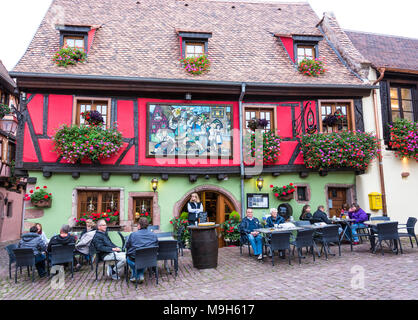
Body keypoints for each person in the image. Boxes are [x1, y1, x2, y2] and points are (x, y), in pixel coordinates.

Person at [125, 217, 159, 283]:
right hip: (149, 259)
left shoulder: (133, 235)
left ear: (139, 226)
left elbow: (127, 246)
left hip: (135, 259)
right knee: (142, 258)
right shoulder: (154, 235)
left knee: (129, 259)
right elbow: (156, 246)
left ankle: (136, 275)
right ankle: (139, 275)